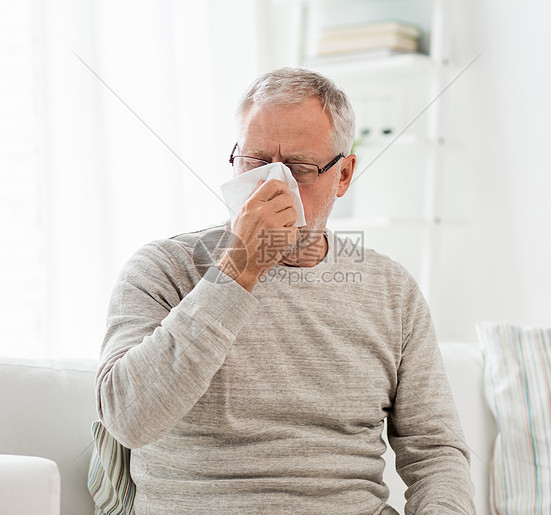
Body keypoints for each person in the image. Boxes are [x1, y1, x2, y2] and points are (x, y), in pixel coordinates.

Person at [96, 67, 474, 514]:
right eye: (255, 163)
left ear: (345, 174)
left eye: (299, 168)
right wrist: (239, 268)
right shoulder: (163, 269)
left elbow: (435, 451)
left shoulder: (392, 291)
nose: (275, 188)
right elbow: (127, 419)